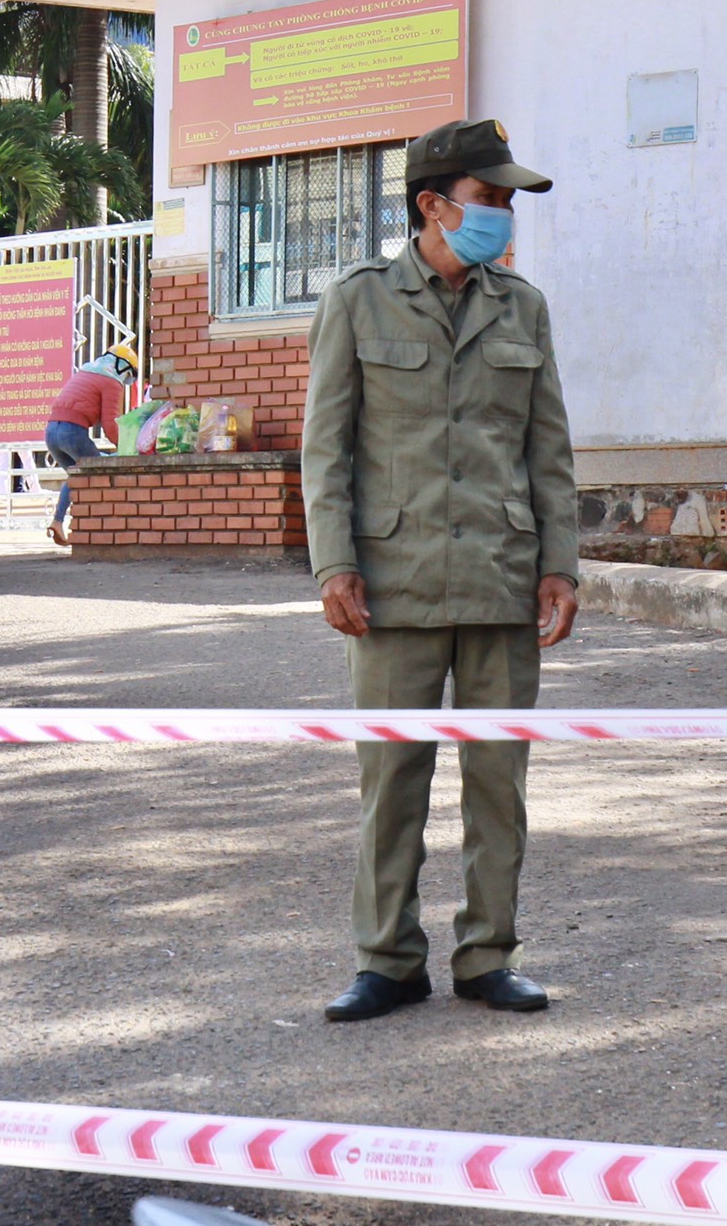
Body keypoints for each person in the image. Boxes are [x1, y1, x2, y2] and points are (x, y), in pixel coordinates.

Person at [299, 119, 579, 1023]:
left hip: (501, 576)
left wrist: (561, 566)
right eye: (489, 198)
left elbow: (548, 451)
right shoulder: (359, 302)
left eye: (505, 201)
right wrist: (335, 562)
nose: (503, 214)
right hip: (393, 583)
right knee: (392, 785)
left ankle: (489, 955)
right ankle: (387, 961)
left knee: (500, 784)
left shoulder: (523, 307)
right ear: (433, 204)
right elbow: (325, 449)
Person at [43, 345, 137, 545]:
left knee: (77, 475)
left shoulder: (85, 372)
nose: (125, 380)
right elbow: (110, 425)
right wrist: (127, 450)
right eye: (128, 374)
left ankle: (58, 521)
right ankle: (97, 530)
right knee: (94, 472)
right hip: (72, 433)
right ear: (121, 366)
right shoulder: (111, 381)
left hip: (51, 432)